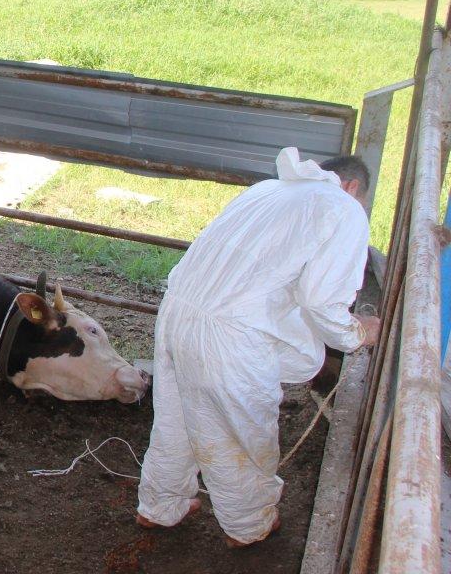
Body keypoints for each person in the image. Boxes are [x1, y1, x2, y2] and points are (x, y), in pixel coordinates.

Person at [136, 147, 382, 548]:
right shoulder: (343, 206)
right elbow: (322, 299)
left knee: (175, 418)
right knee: (242, 431)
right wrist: (356, 333)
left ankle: (159, 507)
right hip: (232, 332)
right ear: (352, 186)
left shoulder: (268, 190)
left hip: (178, 310)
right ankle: (249, 526)